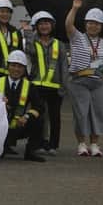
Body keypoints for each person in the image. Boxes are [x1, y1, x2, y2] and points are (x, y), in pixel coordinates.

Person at [65, 0, 103, 157]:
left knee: (99, 113)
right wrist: (74, 8)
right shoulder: (77, 38)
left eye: (96, 23)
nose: (93, 25)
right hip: (79, 82)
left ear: (101, 26)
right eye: (90, 22)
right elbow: (68, 25)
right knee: (81, 113)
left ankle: (94, 144)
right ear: (86, 24)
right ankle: (81, 144)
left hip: (98, 83)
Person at [25, 10, 67, 154]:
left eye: (47, 23)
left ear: (52, 26)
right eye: (41, 24)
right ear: (36, 26)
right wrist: (31, 34)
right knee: (39, 116)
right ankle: (39, 142)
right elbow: (28, 53)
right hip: (37, 85)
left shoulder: (59, 44)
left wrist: (64, 86)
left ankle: (53, 145)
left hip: (55, 87)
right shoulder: (32, 42)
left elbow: (63, 66)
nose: (44, 26)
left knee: (55, 117)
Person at [0, 50, 45, 162]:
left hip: (19, 126)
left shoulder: (30, 86)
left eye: (20, 67)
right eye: (13, 65)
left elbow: (39, 107)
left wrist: (27, 116)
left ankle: (30, 152)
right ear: (8, 66)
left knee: (39, 120)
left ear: (24, 69)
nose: (16, 69)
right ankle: (1, 148)